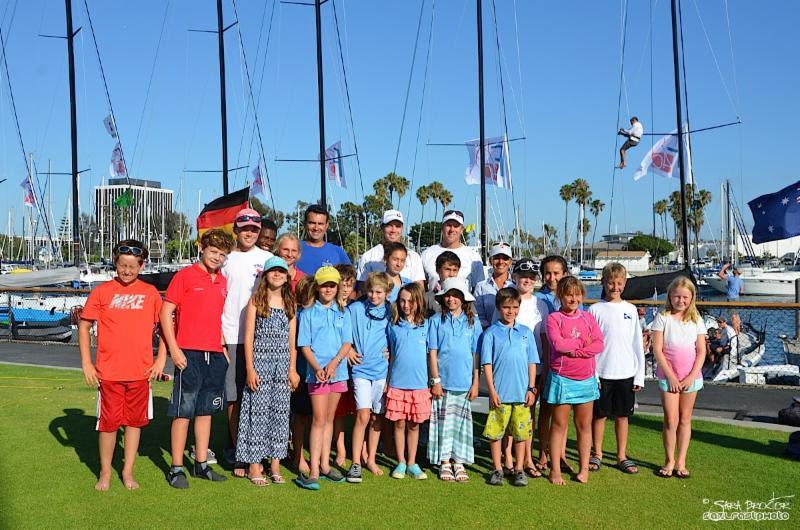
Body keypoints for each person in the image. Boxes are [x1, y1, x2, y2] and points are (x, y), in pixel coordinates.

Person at [78, 240, 165, 491]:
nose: (127, 270)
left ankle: (128, 471)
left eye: (132, 266)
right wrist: (87, 363)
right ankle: (105, 472)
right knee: (109, 424)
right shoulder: (102, 292)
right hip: (109, 373)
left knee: (134, 423)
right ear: (115, 264)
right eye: (122, 265)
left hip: (140, 373)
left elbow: (165, 329)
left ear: (142, 265)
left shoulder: (150, 293)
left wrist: (161, 359)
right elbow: (84, 327)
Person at [161, 229, 234, 489]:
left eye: (222, 254)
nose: (217, 257)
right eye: (213, 251)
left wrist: (223, 347)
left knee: (207, 410)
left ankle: (201, 464)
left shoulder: (223, 280)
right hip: (188, 353)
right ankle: (176, 467)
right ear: (202, 248)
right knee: (183, 411)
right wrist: (174, 349)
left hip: (214, 354)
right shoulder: (185, 276)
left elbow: (222, 317)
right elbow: (165, 313)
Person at [237, 257, 300, 486]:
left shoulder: (290, 303)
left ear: (286, 276)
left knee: (281, 414)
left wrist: (292, 369)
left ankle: (275, 464)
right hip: (260, 364)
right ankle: (254, 464)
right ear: (265, 275)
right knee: (257, 413)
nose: (277, 275)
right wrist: (250, 369)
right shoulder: (256, 300)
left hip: (282, 365)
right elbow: (248, 337)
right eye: (272, 271)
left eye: (281, 272)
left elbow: (292, 340)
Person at [221, 208, 272, 473]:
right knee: (233, 397)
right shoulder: (224, 259)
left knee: (259, 395)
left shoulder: (268, 258)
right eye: (244, 228)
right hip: (230, 335)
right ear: (236, 230)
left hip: (262, 340)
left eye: (254, 228)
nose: (249, 233)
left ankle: (259, 449)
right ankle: (238, 449)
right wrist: (218, 337)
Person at [295, 266, 353, 490]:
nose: (328, 289)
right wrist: (318, 367)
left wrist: (335, 362)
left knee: (329, 419)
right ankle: (315, 470)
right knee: (318, 420)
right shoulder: (309, 312)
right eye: (324, 285)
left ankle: (326, 466)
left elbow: (346, 342)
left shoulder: (343, 312)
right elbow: (304, 345)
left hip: (338, 372)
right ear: (317, 287)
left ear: (337, 287)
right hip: (316, 373)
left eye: (332, 285)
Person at [545, 276, 604, 486]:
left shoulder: (589, 318)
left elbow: (598, 344)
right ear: (560, 295)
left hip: (586, 379)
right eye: (569, 294)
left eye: (577, 294)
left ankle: (583, 469)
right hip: (562, 379)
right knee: (559, 424)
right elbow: (558, 345)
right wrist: (581, 342)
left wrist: (577, 351)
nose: (573, 298)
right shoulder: (553, 318)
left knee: (584, 426)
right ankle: (555, 470)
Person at [588, 263, 645, 475]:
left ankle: (621, 455)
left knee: (622, 416)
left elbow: (636, 344)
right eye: (611, 282)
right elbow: (591, 344)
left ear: (624, 283)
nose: (615, 286)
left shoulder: (630, 310)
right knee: (600, 416)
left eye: (619, 283)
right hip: (602, 374)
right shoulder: (594, 309)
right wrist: (593, 374)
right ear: (604, 282)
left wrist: (639, 376)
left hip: (626, 374)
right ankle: (598, 453)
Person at [482, 287, 539, 487]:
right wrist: (492, 390)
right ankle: (497, 468)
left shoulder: (525, 333)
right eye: (506, 307)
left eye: (514, 307)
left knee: (521, 435)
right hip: (500, 394)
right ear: (499, 308)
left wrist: (531, 388)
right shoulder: (490, 334)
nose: (510, 311)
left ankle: (519, 468)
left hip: (522, 395)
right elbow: (487, 364)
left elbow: (532, 362)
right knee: (496, 433)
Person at [651, 276, 706, 479]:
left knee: (685, 419)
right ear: (670, 297)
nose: (680, 301)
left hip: (691, 378)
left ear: (691, 298)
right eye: (677, 296)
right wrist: (671, 376)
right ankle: (669, 460)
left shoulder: (696, 319)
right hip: (669, 377)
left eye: (685, 297)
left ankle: (681, 460)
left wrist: (691, 376)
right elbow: (657, 349)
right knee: (671, 420)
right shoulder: (662, 317)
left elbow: (701, 351)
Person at [427, 277, 481, 482]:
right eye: (448, 295)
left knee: (460, 424)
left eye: (456, 295)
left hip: (464, 382)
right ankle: (444, 462)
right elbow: (432, 353)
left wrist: (476, 383)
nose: (451, 299)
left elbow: (475, 354)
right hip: (443, 382)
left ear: (463, 299)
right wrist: (435, 380)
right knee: (443, 424)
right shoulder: (435, 321)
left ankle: (458, 461)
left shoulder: (473, 322)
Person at [500, 258, 550, 476]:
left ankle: (528, 458)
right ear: (515, 277)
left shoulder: (541, 304)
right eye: (522, 276)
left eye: (531, 277)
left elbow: (545, 338)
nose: (526, 280)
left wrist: (545, 365)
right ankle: (507, 455)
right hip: (509, 369)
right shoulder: (505, 299)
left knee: (527, 414)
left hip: (533, 368)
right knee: (506, 414)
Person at [345, 272, 393, 483]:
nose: (374, 296)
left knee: (376, 417)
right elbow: (344, 332)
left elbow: (395, 336)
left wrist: (391, 351)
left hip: (381, 371)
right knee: (362, 416)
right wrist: (347, 351)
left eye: (379, 292)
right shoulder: (355, 309)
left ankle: (371, 458)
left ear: (387, 293)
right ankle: (356, 462)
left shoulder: (392, 310)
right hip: (361, 369)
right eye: (371, 291)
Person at [385, 283, 432, 480]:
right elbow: (391, 355)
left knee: (414, 425)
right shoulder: (393, 325)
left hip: (419, 385)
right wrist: (387, 381)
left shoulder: (426, 326)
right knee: (399, 424)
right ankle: (401, 461)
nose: (406, 305)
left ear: (418, 302)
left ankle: (412, 462)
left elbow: (431, 356)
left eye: (410, 301)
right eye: (402, 300)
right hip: (397, 383)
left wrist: (433, 381)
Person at [534, 255, 569, 473]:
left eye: (556, 273)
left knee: (561, 412)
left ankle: (561, 454)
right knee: (545, 409)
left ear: (564, 274)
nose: (551, 277)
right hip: (544, 358)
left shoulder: (572, 297)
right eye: (547, 272)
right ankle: (542, 454)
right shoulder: (539, 298)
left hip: (566, 364)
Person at [356, 210, 425, 292]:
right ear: (382, 227)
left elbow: (419, 289)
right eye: (389, 225)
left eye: (397, 226)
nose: (393, 230)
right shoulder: (368, 256)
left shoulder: (414, 256)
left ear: (402, 228)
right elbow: (361, 290)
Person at [290, 276, 317, 475]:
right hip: (300, 371)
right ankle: (297, 456)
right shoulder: (298, 315)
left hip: (315, 373)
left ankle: (306, 454)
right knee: (300, 417)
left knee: (310, 416)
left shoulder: (319, 312)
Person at [420, 210, 485, 291]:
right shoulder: (426, 254)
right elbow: (421, 288)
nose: (452, 229)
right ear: (442, 227)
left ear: (461, 230)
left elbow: (479, 288)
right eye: (449, 225)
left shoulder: (474, 257)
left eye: (456, 226)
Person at [332, 264, 357, 466]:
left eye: (350, 284)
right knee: (338, 411)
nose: (346, 288)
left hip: (356, 364)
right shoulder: (329, 305)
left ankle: (361, 450)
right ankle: (340, 449)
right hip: (336, 364)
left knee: (357, 408)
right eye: (343, 284)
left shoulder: (356, 306)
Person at [295, 204, 351, 275]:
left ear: (327, 225)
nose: (316, 228)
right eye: (312, 223)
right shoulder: (294, 249)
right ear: (305, 223)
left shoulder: (338, 252)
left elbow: (350, 280)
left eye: (320, 224)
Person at [474, 242, 515, 329]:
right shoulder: (481, 287)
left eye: (505, 258)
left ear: (510, 262)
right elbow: (478, 316)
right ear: (490, 261)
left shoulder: (516, 286)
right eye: (496, 258)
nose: (501, 262)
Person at [423, 251, 461, 317]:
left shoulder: (463, 297)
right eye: (447, 269)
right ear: (437, 270)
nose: (451, 274)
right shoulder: (427, 298)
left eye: (455, 270)